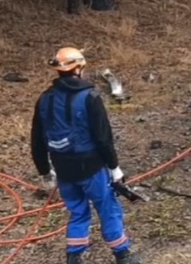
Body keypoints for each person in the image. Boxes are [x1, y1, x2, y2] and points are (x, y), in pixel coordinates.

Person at [30, 47, 140, 264]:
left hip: (63, 168)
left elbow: (36, 138)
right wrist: (114, 167)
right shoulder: (90, 97)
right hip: (92, 168)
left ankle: (74, 257)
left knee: (78, 211)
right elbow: (103, 137)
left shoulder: (45, 99)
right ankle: (122, 255)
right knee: (108, 208)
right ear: (78, 68)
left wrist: (44, 170)